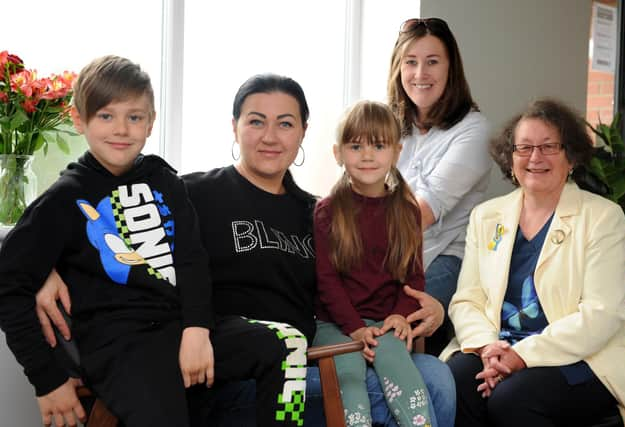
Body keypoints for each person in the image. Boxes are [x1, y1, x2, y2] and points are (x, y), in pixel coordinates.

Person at [35, 73, 456, 427]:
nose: (270, 137)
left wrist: (427, 307)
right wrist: (44, 268)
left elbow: (367, 283)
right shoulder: (192, 194)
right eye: (256, 121)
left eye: (285, 124)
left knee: (437, 373)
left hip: (315, 357)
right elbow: (95, 217)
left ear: (304, 132)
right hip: (224, 377)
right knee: (427, 386)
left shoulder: (319, 213)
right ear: (234, 126)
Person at [0, 55, 215, 427]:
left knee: (274, 348)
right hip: (120, 346)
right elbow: (8, 281)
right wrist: (46, 379)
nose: (121, 129)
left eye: (134, 117)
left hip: (178, 328)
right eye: (105, 116)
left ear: (150, 123)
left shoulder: (166, 181)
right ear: (78, 119)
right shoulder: (65, 196)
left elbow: (192, 260)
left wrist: (198, 327)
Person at [443, 98, 625, 427]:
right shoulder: (487, 216)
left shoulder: (602, 218)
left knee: (513, 398)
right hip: (497, 343)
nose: (535, 158)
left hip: (579, 355)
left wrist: (522, 355)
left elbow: (600, 316)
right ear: (511, 157)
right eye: (524, 148)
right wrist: (487, 348)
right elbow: (468, 298)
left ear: (571, 156)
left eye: (549, 147)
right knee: (458, 381)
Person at [313, 100, 434, 427]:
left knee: (404, 377)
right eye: (356, 146)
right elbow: (326, 281)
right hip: (334, 325)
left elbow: (414, 278)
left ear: (396, 152)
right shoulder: (327, 211)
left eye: (378, 146)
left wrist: (399, 315)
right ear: (338, 154)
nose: (367, 155)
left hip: (385, 321)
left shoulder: (408, 211)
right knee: (350, 378)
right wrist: (355, 328)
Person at [387, 17, 493, 355]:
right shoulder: (389, 124)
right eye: (411, 62)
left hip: (442, 256)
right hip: (386, 254)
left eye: (432, 62)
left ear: (451, 68)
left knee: (394, 330)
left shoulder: (474, 130)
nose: (420, 74)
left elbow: (421, 214)